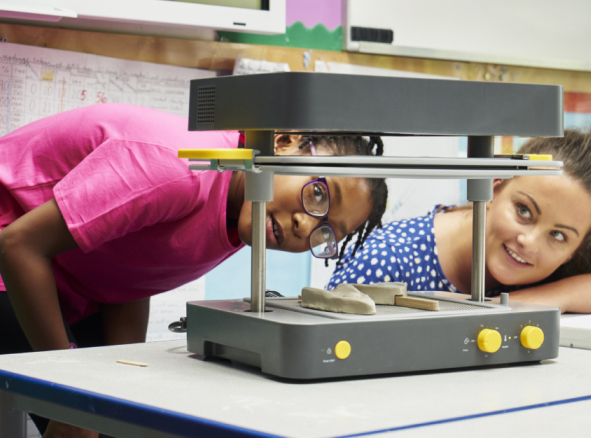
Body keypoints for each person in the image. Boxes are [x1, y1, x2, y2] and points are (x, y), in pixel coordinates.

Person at [0, 103, 387, 437]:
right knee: (82, 417)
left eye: (329, 231)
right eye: (319, 193)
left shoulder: (245, 213)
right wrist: (74, 399)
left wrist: (119, 392)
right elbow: (18, 246)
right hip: (13, 254)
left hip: (65, 282)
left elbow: (129, 273)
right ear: (284, 142)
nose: (307, 225)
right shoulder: (184, 169)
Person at [327, 129, 591, 314]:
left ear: (578, 247)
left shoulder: (578, 252)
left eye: (558, 236)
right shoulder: (391, 260)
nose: (530, 242)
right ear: (494, 186)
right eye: (524, 211)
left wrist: (547, 298)